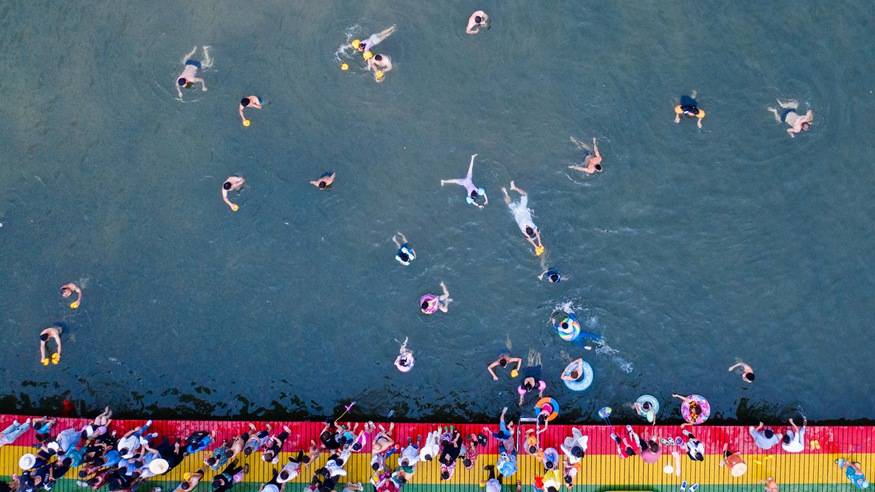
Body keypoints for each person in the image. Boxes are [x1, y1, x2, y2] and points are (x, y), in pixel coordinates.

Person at [502, 181, 544, 256]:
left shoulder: (531, 225)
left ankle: (513, 188)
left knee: (524, 195)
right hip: (516, 213)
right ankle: (505, 192)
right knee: (509, 203)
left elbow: (537, 234)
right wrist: (536, 245)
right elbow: (529, 239)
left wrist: (539, 244)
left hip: (522, 209)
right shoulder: (523, 230)